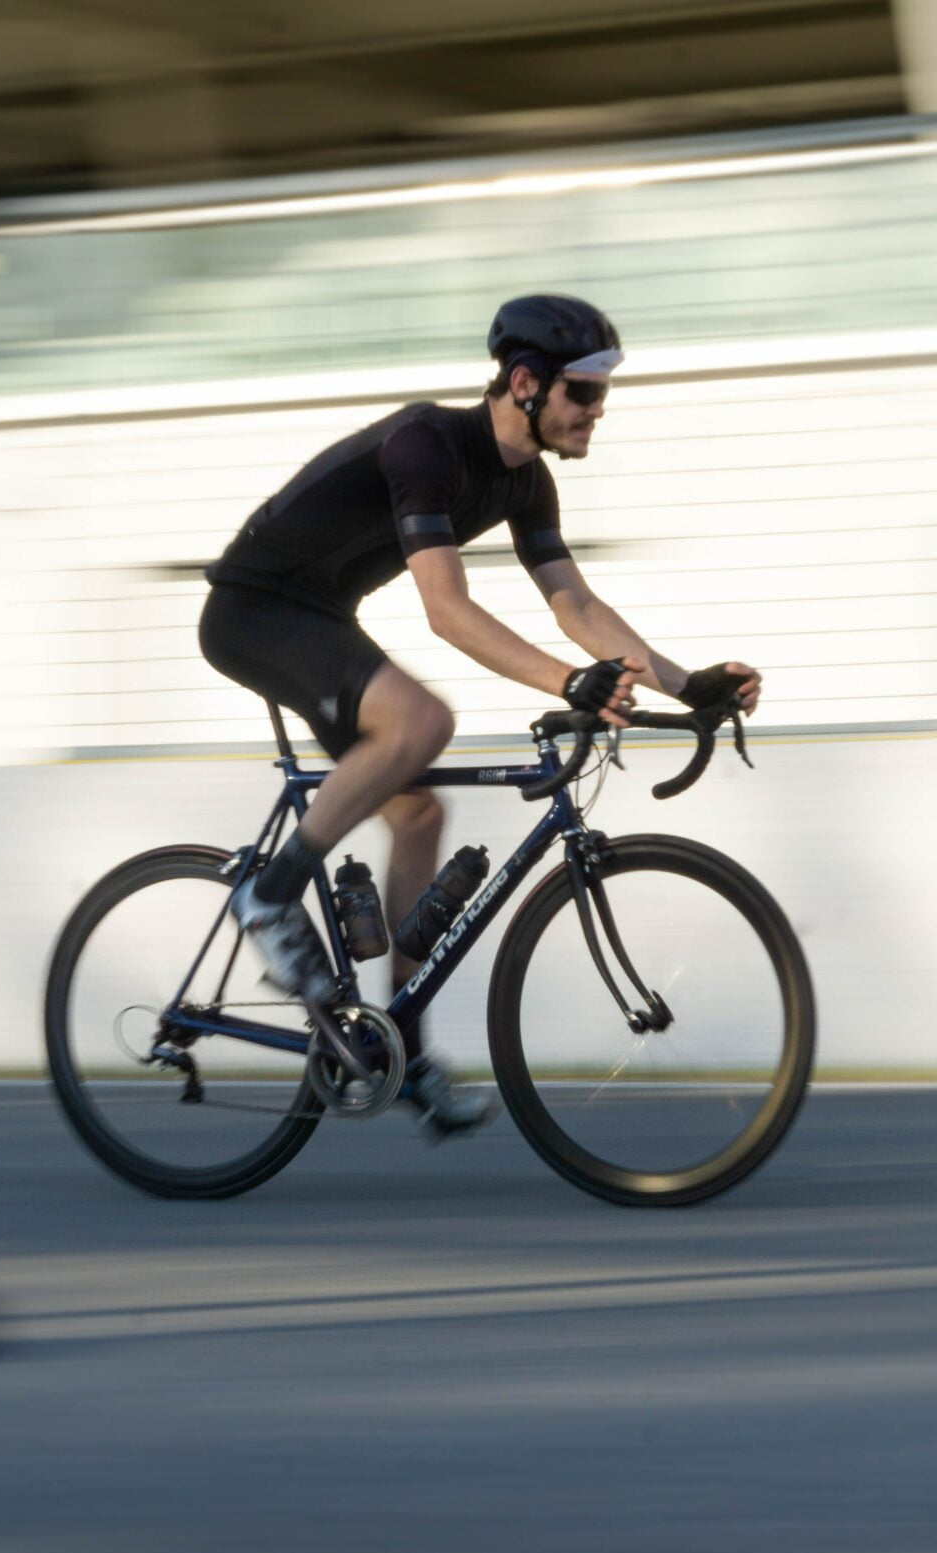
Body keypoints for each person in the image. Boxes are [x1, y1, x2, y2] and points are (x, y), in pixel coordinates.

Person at [197, 293, 763, 1136]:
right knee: (423, 721)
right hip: (254, 610)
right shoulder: (428, 445)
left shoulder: (524, 481)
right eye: (584, 394)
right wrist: (570, 683)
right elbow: (447, 610)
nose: (597, 413)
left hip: (317, 620)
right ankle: (270, 898)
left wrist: (688, 686)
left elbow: (573, 601)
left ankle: (402, 1051)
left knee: (421, 810)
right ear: (526, 383)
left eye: (602, 396)